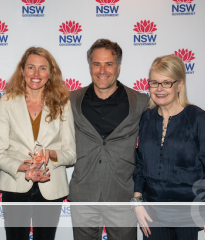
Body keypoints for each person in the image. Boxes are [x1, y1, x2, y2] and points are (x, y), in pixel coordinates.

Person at [132, 55, 205, 240]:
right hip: (154, 217)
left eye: (166, 82)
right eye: (154, 82)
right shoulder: (146, 118)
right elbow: (140, 166)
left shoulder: (198, 119)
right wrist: (137, 202)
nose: (159, 89)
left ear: (179, 84)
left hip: (194, 219)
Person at [0, 47, 76, 240]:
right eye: (31, 67)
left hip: (51, 184)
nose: (36, 74)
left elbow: (71, 153)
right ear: (22, 70)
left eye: (42, 68)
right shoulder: (6, 102)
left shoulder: (63, 103)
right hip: (15, 183)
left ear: (51, 73)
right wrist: (24, 168)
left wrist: (50, 154)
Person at [68, 39, 149, 240]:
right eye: (97, 64)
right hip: (83, 194)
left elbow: (167, 120)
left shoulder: (140, 101)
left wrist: (199, 126)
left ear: (118, 67)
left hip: (122, 194)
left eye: (109, 64)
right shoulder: (71, 100)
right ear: (90, 67)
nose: (102, 70)